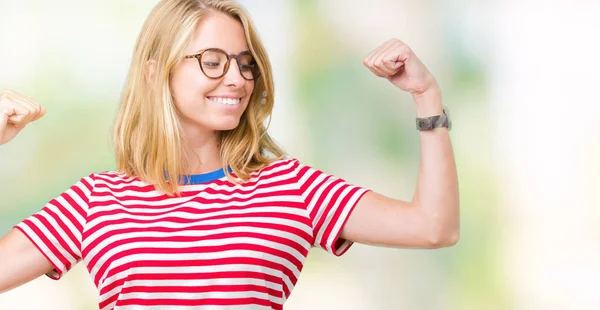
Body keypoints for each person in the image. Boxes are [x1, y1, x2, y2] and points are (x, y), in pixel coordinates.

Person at [0, 0, 459, 309]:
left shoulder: (291, 188)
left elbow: (433, 227)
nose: (237, 79)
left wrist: (426, 95)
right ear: (156, 72)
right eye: (213, 62)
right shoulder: (96, 200)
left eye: (245, 63)